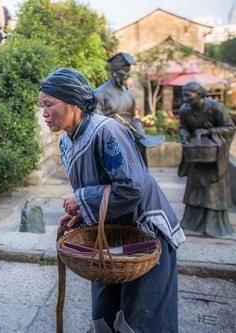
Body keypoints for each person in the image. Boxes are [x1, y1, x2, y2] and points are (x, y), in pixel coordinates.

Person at [39, 68, 185, 332]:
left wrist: (81, 198)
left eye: (49, 104)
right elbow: (99, 190)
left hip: (146, 234)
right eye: (42, 106)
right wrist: (80, 211)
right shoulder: (66, 142)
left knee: (141, 320)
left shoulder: (108, 132)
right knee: (105, 315)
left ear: (72, 103)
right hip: (111, 235)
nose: (44, 113)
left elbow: (131, 187)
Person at [178, 81, 235, 237]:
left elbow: (230, 128)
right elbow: (183, 126)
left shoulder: (215, 107)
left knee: (212, 188)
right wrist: (184, 134)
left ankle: (213, 224)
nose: (184, 98)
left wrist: (208, 132)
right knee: (195, 187)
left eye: (188, 94)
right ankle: (192, 221)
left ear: (199, 94)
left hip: (214, 155)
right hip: (196, 153)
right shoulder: (184, 110)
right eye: (183, 94)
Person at [95, 52, 156, 165]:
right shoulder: (100, 94)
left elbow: (133, 118)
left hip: (131, 141)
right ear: (114, 71)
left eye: (129, 71)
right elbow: (97, 126)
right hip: (111, 144)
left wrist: (139, 130)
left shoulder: (128, 95)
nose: (128, 75)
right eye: (125, 70)